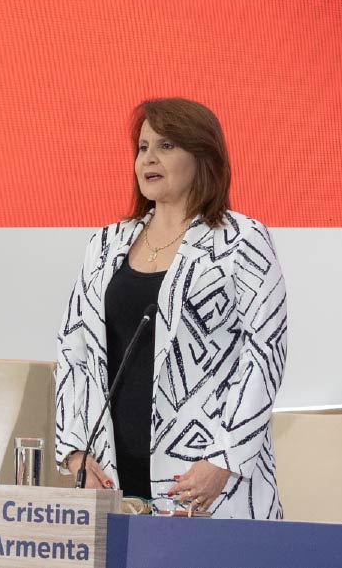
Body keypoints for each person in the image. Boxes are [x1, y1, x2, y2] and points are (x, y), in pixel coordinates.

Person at [55, 98, 287, 518]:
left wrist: (225, 459)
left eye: (166, 146)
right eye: (143, 147)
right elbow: (73, 353)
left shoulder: (241, 240)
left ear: (202, 157)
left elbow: (265, 352)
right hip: (110, 475)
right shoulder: (104, 245)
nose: (149, 158)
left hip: (204, 480)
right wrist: (75, 452)